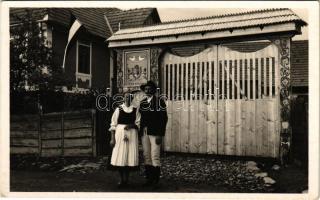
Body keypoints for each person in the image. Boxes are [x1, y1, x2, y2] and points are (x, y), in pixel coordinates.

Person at [109, 90, 141, 188]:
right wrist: (112, 139)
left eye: (130, 97)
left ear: (132, 98)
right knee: (120, 157)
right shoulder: (118, 109)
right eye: (126, 97)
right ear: (123, 98)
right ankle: (121, 180)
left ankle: (126, 180)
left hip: (131, 135)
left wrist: (131, 125)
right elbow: (113, 124)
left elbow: (138, 124)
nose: (128, 98)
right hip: (120, 135)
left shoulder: (135, 110)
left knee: (128, 157)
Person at [139, 81, 168, 188]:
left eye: (150, 89)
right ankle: (149, 179)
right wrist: (140, 132)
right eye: (146, 89)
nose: (147, 91)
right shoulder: (142, 103)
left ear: (154, 90)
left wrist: (160, 134)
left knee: (155, 155)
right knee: (146, 155)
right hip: (145, 132)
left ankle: (156, 181)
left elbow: (164, 119)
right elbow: (140, 118)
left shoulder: (159, 102)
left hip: (155, 133)